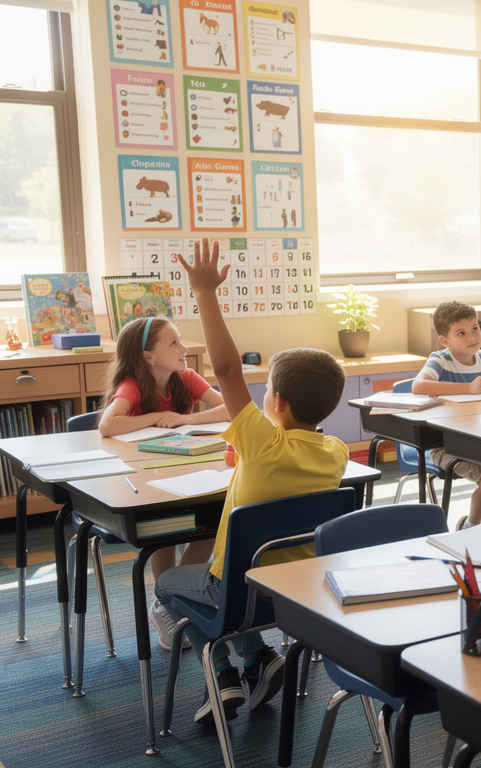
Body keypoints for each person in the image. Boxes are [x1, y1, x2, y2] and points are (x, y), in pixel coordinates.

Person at [155, 239, 349, 727]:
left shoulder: (262, 444)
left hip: (237, 594)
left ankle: (219, 670)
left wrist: (204, 293)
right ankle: (261, 659)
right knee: (240, 588)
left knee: (166, 585)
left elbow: (225, 369)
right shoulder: (336, 453)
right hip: (294, 595)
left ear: (277, 401)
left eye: (265, 393)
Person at [98, 316, 229, 651]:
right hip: (145, 477)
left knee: (210, 526)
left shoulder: (186, 378)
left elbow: (230, 409)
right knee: (165, 534)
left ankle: (175, 596)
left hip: (186, 468)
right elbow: (107, 425)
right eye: (173, 343)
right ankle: (165, 601)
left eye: (180, 340)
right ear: (148, 357)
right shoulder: (132, 385)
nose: (184, 348)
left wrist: (188, 418)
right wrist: (155, 418)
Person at [410, 301, 481, 527]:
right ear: (445, 340)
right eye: (461, 333)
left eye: (475, 328)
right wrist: (469, 387)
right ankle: (471, 527)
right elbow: (418, 386)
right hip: (447, 445)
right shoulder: (440, 359)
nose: (472, 337)